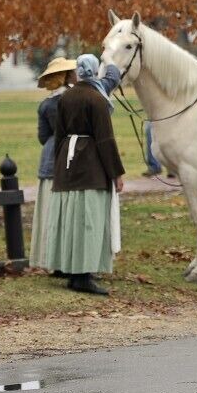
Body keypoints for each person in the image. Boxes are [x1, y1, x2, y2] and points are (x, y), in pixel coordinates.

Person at [46, 54, 125, 295]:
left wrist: (59, 166)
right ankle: (82, 275)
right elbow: (105, 139)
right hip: (89, 166)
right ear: (94, 71)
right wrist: (116, 173)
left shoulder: (66, 97)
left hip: (68, 165)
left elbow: (59, 135)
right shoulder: (96, 99)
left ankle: (71, 269)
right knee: (88, 221)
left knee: (72, 220)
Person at [32, 56, 76, 275]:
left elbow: (42, 136)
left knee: (49, 210)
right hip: (68, 155)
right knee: (64, 210)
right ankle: (65, 258)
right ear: (66, 77)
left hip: (48, 155)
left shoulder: (45, 104)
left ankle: (51, 258)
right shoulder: (71, 100)